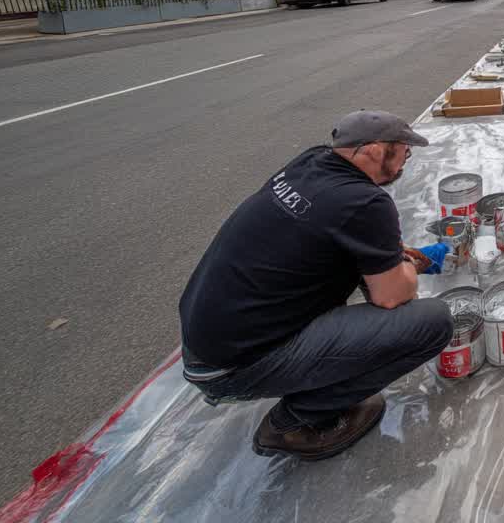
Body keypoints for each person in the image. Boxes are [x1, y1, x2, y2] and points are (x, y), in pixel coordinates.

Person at [178, 111, 454, 461]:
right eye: (404, 151)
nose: (405, 161)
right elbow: (393, 296)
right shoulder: (365, 201)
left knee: (362, 273)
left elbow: (329, 228)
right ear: (372, 151)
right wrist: (408, 267)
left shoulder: (309, 163)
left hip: (204, 343)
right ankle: (294, 422)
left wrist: (387, 254)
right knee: (432, 322)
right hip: (231, 368)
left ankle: (304, 381)